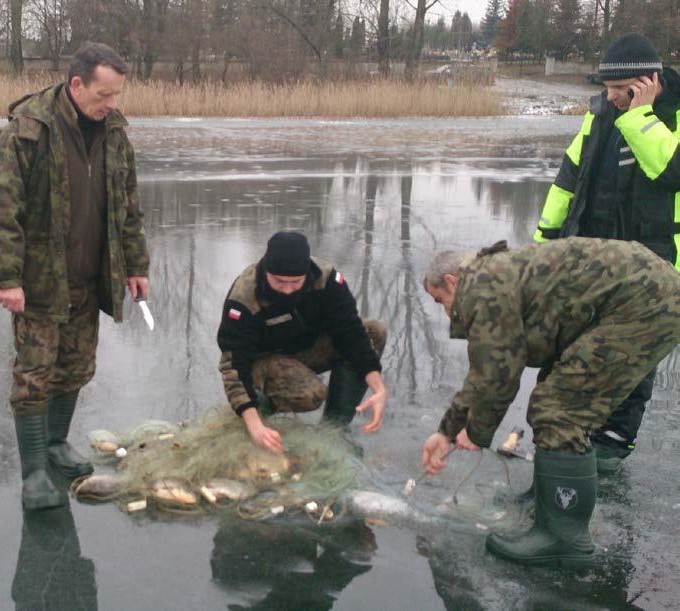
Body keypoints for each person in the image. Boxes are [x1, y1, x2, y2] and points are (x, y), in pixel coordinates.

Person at [421, 238, 680, 566]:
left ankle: (563, 538)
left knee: (560, 409)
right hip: (642, 293)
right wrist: (447, 430)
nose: (446, 312)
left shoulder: (481, 288)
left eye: (440, 300)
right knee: (553, 389)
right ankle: (546, 504)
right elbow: (486, 371)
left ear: (452, 281)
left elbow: (498, 376)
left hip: (643, 303)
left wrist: (475, 432)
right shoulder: (489, 275)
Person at [0, 43, 150, 510]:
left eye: (116, 94)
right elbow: (0, 209)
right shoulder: (29, 129)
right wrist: (8, 276)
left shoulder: (115, 131)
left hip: (91, 273)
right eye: (103, 94)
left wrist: (136, 264)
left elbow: (128, 205)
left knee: (76, 366)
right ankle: (35, 470)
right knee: (35, 374)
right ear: (76, 84)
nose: (111, 104)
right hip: (39, 279)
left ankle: (57, 443)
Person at [533, 32, 680, 473]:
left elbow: (671, 170)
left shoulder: (670, 116)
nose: (611, 98)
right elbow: (567, 181)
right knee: (573, 349)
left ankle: (613, 446)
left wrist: (640, 117)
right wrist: (545, 247)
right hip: (591, 257)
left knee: (632, 357)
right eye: (608, 90)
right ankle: (568, 442)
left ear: (647, 82)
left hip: (655, 262)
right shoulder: (598, 114)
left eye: (620, 91)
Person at [217, 231, 387, 454]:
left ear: (306, 273)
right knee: (311, 394)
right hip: (262, 361)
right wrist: (254, 425)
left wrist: (378, 387)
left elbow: (351, 333)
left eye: (295, 282)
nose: (288, 290)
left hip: (304, 349)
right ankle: (255, 408)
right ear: (266, 270)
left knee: (373, 331)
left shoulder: (327, 281)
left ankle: (334, 430)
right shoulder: (244, 298)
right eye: (279, 282)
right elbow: (233, 365)